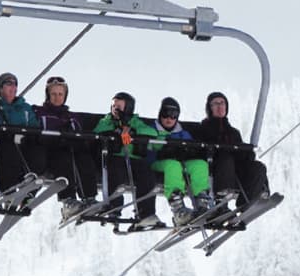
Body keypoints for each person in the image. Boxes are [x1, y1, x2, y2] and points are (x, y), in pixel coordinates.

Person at [189, 91, 270, 210]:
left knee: (258, 166)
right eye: (215, 104)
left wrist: (247, 153)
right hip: (214, 168)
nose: (219, 106)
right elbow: (198, 150)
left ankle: (249, 200)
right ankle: (221, 200)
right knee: (226, 158)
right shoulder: (202, 129)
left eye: (222, 103)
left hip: (234, 169)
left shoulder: (233, 132)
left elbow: (240, 153)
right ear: (209, 108)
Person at [34, 76, 99, 220]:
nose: (57, 98)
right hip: (51, 149)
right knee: (63, 158)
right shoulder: (39, 112)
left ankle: (89, 198)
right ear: (48, 95)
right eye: (53, 94)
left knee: (84, 157)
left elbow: (80, 135)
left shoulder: (72, 117)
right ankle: (68, 201)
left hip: (72, 148)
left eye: (60, 94)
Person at [94, 92, 163, 229]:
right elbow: (98, 130)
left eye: (119, 106)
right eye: (113, 106)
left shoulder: (135, 122)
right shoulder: (107, 120)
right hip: (115, 157)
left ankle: (145, 213)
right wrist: (115, 130)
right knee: (115, 171)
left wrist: (132, 131)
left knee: (147, 175)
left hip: (133, 159)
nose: (115, 109)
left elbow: (152, 132)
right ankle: (114, 207)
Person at [0, 72, 46, 195]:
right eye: (9, 83)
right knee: (9, 150)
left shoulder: (24, 108)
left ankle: (30, 192)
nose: (13, 87)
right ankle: (9, 191)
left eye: (15, 84)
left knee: (38, 152)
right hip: (0, 144)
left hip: (23, 143)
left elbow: (34, 127)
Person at [150, 97, 211, 225]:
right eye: (166, 114)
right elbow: (147, 150)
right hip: (158, 163)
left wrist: (187, 151)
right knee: (173, 166)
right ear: (160, 114)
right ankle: (178, 210)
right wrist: (161, 149)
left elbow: (192, 147)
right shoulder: (152, 130)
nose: (169, 118)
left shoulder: (182, 133)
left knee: (200, 165)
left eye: (173, 115)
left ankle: (201, 203)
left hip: (180, 161)